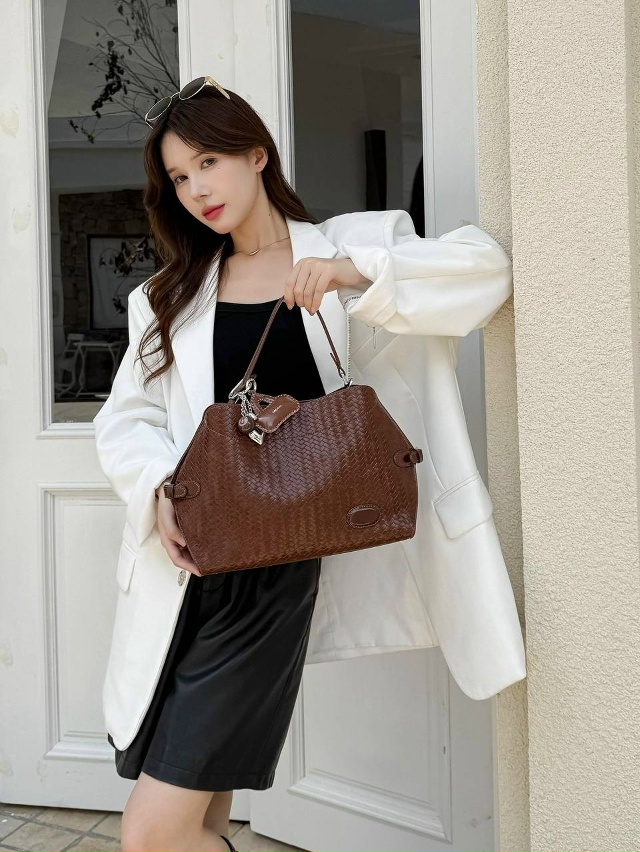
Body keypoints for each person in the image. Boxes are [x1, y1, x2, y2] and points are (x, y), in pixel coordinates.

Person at [94, 76, 526, 852]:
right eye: (180, 178)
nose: (196, 190)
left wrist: (355, 273)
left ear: (257, 154)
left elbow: (487, 271)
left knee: (151, 833)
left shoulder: (350, 244)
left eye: (208, 163)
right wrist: (157, 491)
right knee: (199, 817)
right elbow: (127, 418)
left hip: (274, 571)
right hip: (191, 563)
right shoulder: (170, 294)